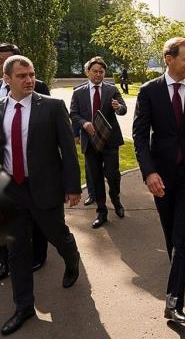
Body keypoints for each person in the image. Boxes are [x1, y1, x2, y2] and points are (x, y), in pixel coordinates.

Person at [132, 37, 185, 324]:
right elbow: (140, 136)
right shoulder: (149, 91)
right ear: (169, 59)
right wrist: (149, 172)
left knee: (181, 235)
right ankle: (181, 271)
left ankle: (173, 301)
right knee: (171, 233)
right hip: (162, 177)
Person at [0, 55, 81, 336]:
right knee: (17, 250)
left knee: (57, 235)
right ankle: (24, 307)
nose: (29, 80)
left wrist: (73, 187)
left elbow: (68, 151)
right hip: (10, 192)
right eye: (22, 75)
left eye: (31, 74)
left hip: (44, 188)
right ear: (6, 78)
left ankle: (72, 260)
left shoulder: (52, 107)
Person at [0, 43, 50, 281]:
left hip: (35, 171)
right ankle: (6, 261)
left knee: (39, 218)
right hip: (6, 173)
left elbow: (49, 125)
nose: (3, 62)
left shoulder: (38, 88)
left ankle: (39, 255)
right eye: (0, 60)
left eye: (8, 58)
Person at [70, 56, 127, 229]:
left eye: (101, 72)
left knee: (112, 174)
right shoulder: (78, 92)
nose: (98, 74)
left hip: (110, 141)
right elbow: (73, 114)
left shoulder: (111, 90)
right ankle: (102, 212)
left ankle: (116, 199)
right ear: (87, 72)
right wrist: (83, 124)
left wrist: (119, 107)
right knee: (95, 178)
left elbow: (123, 109)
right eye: (95, 71)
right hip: (90, 141)